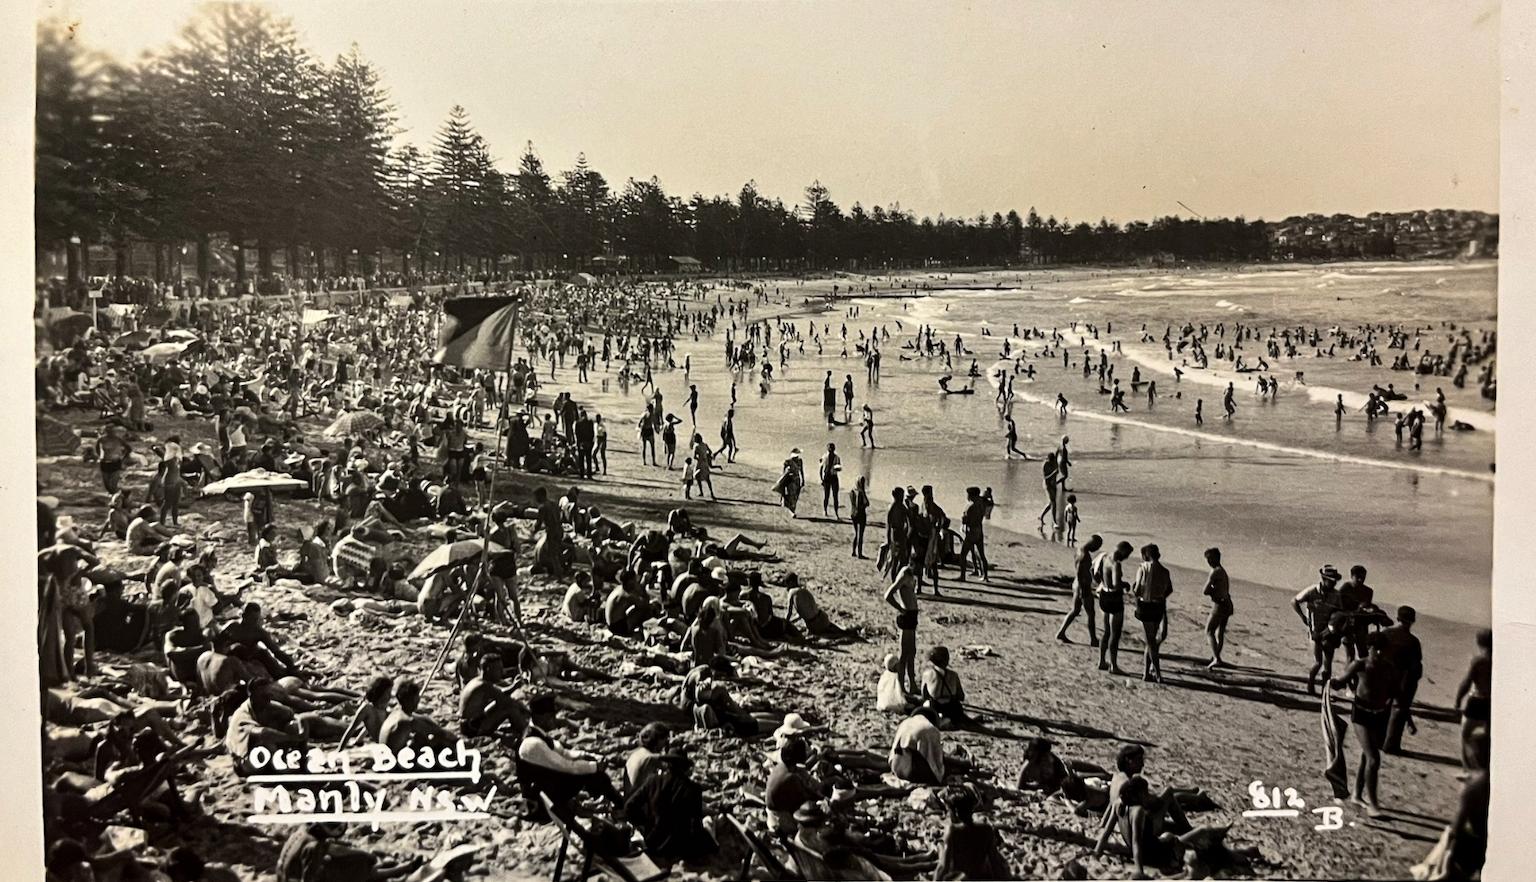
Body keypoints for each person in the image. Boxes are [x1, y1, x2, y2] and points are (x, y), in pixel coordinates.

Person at [1094, 744, 1194, 879]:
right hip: (1141, 832)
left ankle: (1187, 819)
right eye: (1139, 760)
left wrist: (1098, 847)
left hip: (1126, 828)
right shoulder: (1129, 786)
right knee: (1169, 794)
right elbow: (1137, 837)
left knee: (1167, 800)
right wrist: (1139, 870)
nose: (1142, 764)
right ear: (1129, 760)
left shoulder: (1117, 778)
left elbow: (1110, 813)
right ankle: (1188, 830)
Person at [517, 691, 621, 814]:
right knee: (594, 775)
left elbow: (563, 753)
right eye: (550, 717)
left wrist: (586, 756)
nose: (554, 720)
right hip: (539, 799)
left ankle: (607, 800)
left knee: (589, 767)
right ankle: (621, 805)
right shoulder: (533, 743)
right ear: (540, 717)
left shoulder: (539, 734)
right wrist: (595, 767)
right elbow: (564, 766)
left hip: (547, 783)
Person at [1329, 642, 1399, 814]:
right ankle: (1374, 805)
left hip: (1380, 715)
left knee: (1366, 757)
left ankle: (1357, 795)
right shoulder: (1359, 665)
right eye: (1377, 648)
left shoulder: (1389, 668)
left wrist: (1407, 720)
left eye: (1383, 649)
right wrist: (1332, 683)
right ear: (1369, 649)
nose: (1380, 652)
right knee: (1373, 759)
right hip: (1361, 715)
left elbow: (1394, 693)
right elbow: (1342, 682)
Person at [623, 750, 715, 863]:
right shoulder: (693, 789)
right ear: (685, 768)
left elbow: (629, 807)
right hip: (679, 847)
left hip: (653, 843)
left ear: (667, 765)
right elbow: (695, 825)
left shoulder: (653, 781)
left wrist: (645, 823)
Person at [935, 784, 1014, 881]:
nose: (948, 814)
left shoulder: (953, 831)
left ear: (955, 812)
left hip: (965, 877)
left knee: (941, 847)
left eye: (949, 811)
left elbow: (943, 867)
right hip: (982, 877)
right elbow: (995, 862)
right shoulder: (986, 829)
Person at [1378, 605, 1424, 755]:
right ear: (1412, 621)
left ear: (1397, 618)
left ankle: (1378, 740)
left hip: (1384, 676)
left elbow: (1377, 653)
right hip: (1403, 680)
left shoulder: (1386, 633)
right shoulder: (1413, 642)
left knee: (1382, 708)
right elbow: (1415, 665)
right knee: (1398, 712)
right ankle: (1390, 745)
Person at [1294, 566, 1346, 694]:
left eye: (1335, 581)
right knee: (1318, 663)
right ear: (1324, 579)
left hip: (1329, 633)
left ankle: (1324, 691)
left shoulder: (1336, 595)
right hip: (1315, 632)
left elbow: (1340, 613)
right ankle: (1310, 684)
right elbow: (1295, 601)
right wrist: (1303, 617)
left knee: (1328, 666)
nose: (1334, 583)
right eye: (1331, 580)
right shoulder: (1312, 591)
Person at [1131, 544, 1172, 683]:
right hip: (1158, 605)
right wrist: (1160, 594)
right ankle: (1146, 672)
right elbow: (1169, 589)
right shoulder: (1165, 571)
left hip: (1146, 606)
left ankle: (1157, 672)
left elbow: (1137, 590)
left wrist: (1136, 590)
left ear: (1146, 555)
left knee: (1150, 642)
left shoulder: (1143, 568)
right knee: (1151, 641)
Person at [1453, 629, 1491, 769]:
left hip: (1476, 701)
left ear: (1479, 642)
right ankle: (1484, 769)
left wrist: (1458, 700)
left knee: (1466, 735)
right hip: (1491, 704)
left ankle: (1468, 769)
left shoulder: (1478, 661)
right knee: (1487, 738)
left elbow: (1467, 682)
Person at [1057, 534, 1102, 646]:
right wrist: (1083, 590)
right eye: (1097, 547)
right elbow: (1080, 572)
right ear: (1093, 544)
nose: (1096, 549)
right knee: (1091, 613)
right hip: (1083, 586)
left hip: (1077, 584)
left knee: (1075, 611)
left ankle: (1061, 633)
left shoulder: (1079, 550)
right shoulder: (1084, 555)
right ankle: (1093, 639)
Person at [1095, 541, 1133, 674]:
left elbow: (1097, 574)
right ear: (1122, 551)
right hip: (1114, 599)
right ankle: (1113, 665)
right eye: (1127, 554)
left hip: (1103, 595)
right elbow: (1116, 585)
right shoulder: (1116, 564)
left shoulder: (1105, 558)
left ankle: (1101, 661)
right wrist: (1125, 584)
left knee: (1106, 632)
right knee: (1115, 634)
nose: (1126, 558)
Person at [889, 705, 947, 785]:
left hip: (895, 766)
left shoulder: (905, 722)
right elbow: (935, 762)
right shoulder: (930, 728)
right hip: (910, 771)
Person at [885, 565, 919, 694]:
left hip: (912, 615)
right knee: (905, 653)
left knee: (912, 652)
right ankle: (900, 685)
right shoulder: (904, 574)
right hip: (907, 615)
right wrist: (900, 609)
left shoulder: (911, 575)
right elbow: (888, 595)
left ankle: (912, 683)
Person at [921, 646, 969, 726]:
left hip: (935, 708)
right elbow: (961, 696)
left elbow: (924, 696)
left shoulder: (927, 674)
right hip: (951, 709)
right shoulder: (954, 675)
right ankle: (949, 720)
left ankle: (940, 720)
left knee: (926, 704)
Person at [1202, 547, 1233, 669]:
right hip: (1227, 603)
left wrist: (1212, 591)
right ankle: (1217, 655)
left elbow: (1205, 590)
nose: (1208, 562)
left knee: (1209, 631)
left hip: (1219, 605)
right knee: (1219, 632)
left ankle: (1216, 658)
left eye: (1209, 559)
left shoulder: (1215, 571)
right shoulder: (1222, 571)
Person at [624, 722, 671, 794]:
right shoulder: (650, 758)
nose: (666, 743)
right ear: (658, 739)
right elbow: (671, 768)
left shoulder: (636, 754)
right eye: (665, 739)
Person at [957, 486, 988, 582]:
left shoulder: (971, 506)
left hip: (971, 532)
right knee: (981, 554)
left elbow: (965, 520)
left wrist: (964, 517)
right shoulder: (982, 504)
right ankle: (985, 576)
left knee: (963, 554)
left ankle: (962, 576)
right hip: (979, 529)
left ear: (971, 495)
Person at [848, 475, 870, 558]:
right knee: (860, 535)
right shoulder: (861, 493)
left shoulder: (852, 491)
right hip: (860, 514)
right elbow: (867, 503)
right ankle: (860, 554)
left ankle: (853, 551)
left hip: (853, 513)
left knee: (856, 533)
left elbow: (854, 504)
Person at [819, 442, 841, 519]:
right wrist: (821, 478)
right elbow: (821, 468)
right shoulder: (824, 457)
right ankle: (825, 510)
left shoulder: (837, 457)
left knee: (835, 496)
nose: (831, 450)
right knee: (826, 495)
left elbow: (839, 468)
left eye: (832, 448)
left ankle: (836, 513)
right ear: (827, 449)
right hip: (827, 477)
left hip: (834, 477)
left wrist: (837, 468)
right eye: (830, 448)